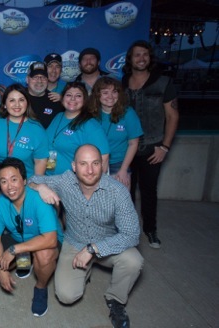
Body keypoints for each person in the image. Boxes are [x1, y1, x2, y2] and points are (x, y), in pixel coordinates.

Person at [29, 144, 143, 328]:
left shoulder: (118, 192)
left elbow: (131, 234)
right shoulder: (65, 181)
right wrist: (41, 187)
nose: (89, 170)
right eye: (83, 164)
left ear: (102, 165)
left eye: (95, 163)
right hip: (74, 242)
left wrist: (93, 249)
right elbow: (30, 179)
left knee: (134, 260)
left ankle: (116, 300)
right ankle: (85, 270)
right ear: (74, 166)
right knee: (67, 295)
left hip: (107, 244)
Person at [0, 157, 63, 317]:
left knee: (44, 255)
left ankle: (41, 288)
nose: (9, 186)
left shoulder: (39, 200)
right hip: (19, 239)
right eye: (4, 181)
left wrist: (14, 250)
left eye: (14, 179)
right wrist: (1, 270)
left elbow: (50, 239)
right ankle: (25, 260)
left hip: (44, 239)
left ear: (25, 180)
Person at [122, 40, 179, 249]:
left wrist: (164, 147)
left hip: (152, 148)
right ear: (130, 59)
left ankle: (150, 230)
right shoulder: (123, 82)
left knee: (148, 191)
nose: (141, 58)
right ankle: (127, 231)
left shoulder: (163, 82)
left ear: (150, 57)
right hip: (128, 147)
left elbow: (173, 116)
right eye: (137, 55)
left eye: (145, 54)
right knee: (125, 192)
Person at [0, 83, 48, 221]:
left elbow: (41, 161)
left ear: (27, 103)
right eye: (12, 100)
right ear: (4, 104)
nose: (17, 104)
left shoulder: (36, 129)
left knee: (20, 219)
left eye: (21, 100)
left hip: (23, 181)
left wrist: (34, 185)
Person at [88, 76, 143, 189]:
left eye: (114, 92)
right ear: (98, 95)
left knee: (119, 203)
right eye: (105, 92)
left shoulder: (128, 113)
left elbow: (133, 143)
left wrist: (123, 170)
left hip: (119, 164)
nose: (110, 96)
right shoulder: (91, 114)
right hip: (94, 164)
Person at [45, 82, 109, 176]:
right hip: (49, 177)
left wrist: (91, 185)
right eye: (69, 95)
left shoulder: (91, 125)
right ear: (62, 98)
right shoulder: (58, 116)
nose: (73, 99)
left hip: (74, 183)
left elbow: (104, 158)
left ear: (84, 100)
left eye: (78, 96)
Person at [25, 61, 64, 129]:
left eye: (43, 77)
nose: (39, 81)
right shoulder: (18, 97)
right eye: (35, 77)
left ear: (47, 80)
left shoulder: (55, 101)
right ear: (27, 79)